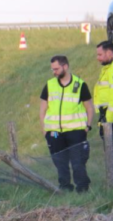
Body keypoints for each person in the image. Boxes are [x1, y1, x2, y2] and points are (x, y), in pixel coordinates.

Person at [39, 55, 95, 192]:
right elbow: (42, 109)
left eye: (56, 69)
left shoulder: (80, 84)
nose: (54, 72)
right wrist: (44, 131)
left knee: (78, 163)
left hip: (76, 132)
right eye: (52, 69)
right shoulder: (49, 85)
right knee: (60, 163)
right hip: (55, 133)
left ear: (65, 66)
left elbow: (89, 107)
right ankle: (65, 189)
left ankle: (82, 190)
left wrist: (87, 126)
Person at [94, 41, 113, 146]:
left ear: (110, 53)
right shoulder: (106, 69)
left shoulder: (111, 70)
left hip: (110, 120)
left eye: (100, 54)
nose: (98, 58)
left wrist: (108, 120)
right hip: (106, 117)